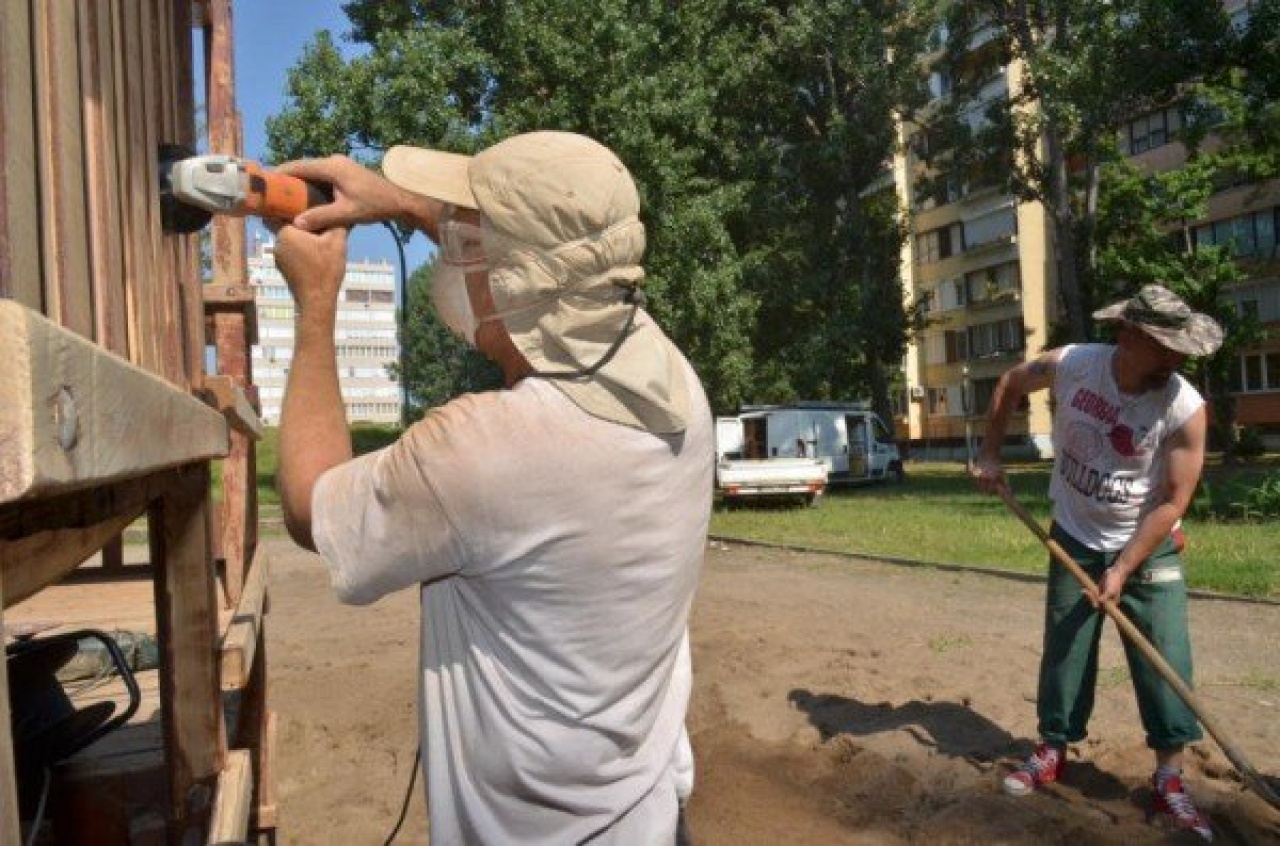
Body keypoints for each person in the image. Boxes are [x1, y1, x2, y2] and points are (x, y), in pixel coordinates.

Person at [270, 131, 713, 845]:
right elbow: (565, 261)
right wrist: (405, 204)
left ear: (504, 275)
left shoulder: (480, 453)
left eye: (467, 239)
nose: (452, 251)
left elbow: (308, 504)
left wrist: (316, 304)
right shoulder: (677, 389)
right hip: (652, 817)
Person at [973, 284, 1222, 841]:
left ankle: (1169, 778)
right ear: (1128, 336)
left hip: (1148, 542)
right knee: (1065, 649)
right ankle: (1052, 750)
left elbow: (1172, 501)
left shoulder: (1183, 406)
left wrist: (1124, 566)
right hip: (1076, 534)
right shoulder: (1075, 365)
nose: (1176, 358)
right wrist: (990, 452)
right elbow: (1012, 382)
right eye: (1165, 346)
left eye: (1181, 348)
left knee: (1164, 656)